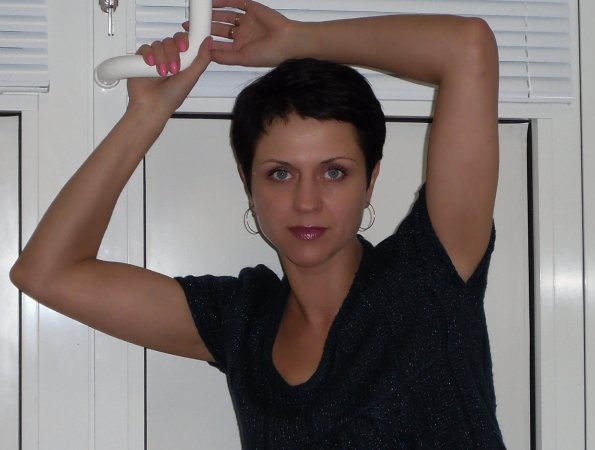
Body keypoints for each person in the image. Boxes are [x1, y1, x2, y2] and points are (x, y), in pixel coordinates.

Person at [11, 0, 504, 447]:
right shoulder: (244, 325)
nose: (306, 202)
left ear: (370, 181)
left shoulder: (428, 276)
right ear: (249, 185)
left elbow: (466, 47)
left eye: (334, 172)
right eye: (280, 174)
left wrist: (298, 40)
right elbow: (46, 273)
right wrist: (148, 111)